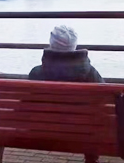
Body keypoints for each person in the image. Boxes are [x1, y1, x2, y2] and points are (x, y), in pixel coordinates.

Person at [29, 25, 104, 163]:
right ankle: (91, 158)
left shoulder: (36, 73)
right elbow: (104, 101)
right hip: (83, 133)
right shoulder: (90, 73)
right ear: (74, 45)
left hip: (42, 131)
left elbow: (25, 106)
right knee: (93, 121)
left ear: (51, 43)